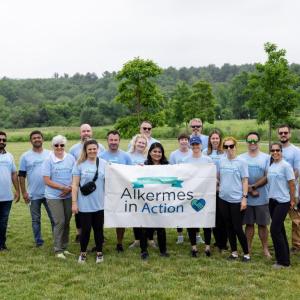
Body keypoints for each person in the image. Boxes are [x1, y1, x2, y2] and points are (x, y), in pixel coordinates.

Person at [72, 139, 106, 264]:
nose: (92, 151)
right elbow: (75, 185)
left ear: (98, 149)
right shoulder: (79, 163)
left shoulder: (104, 163)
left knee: (99, 230)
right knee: (85, 230)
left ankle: (99, 252)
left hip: (99, 204)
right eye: (89, 149)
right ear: (85, 151)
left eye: (94, 149)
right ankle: (83, 253)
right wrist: (74, 203)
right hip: (84, 204)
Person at [69, 124, 105, 242]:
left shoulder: (101, 147)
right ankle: (80, 234)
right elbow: (73, 169)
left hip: (97, 188)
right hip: (81, 186)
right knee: (80, 214)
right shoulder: (73, 149)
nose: (86, 133)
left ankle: (98, 237)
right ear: (80, 133)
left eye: (88, 131)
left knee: (97, 215)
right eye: (83, 131)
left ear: (91, 132)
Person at [19, 130, 54, 247]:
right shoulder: (25, 156)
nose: (37, 139)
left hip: (50, 193)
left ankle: (57, 241)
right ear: (31, 141)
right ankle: (39, 242)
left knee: (54, 219)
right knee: (35, 220)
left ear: (42, 139)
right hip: (33, 194)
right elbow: (22, 176)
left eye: (39, 137)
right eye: (34, 138)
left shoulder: (50, 154)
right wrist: (24, 192)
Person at [238, 132, 271, 257]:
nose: (252, 143)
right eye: (250, 140)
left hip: (262, 197)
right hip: (247, 198)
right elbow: (240, 177)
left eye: (255, 141)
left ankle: (265, 249)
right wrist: (250, 190)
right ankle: (248, 249)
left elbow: (268, 176)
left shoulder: (267, 158)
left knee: (262, 225)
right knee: (249, 224)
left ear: (258, 142)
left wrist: (254, 186)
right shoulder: (241, 158)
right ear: (246, 142)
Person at [42, 135, 75, 259]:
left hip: (68, 195)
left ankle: (64, 247)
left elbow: (75, 175)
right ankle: (58, 250)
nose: (59, 147)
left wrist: (70, 188)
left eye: (62, 145)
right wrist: (63, 188)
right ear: (52, 146)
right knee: (59, 221)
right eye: (56, 145)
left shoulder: (71, 158)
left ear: (65, 146)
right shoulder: (48, 160)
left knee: (66, 221)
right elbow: (46, 180)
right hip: (53, 196)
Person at [218, 137, 250, 262]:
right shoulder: (221, 161)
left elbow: (245, 180)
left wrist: (244, 198)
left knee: (237, 227)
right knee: (229, 226)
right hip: (223, 198)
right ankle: (234, 252)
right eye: (226, 147)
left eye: (231, 146)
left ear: (235, 147)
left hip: (237, 200)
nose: (229, 149)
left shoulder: (241, 162)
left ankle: (247, 253)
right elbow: (219, 177)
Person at [101, 130, 132, 252]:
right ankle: (100, 240)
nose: (113, 142)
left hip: (121, 193)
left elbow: (132, 173)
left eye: (116, 140)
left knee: (120, 218)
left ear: (119, 141)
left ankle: (119, 243)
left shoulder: (126, 156)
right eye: (111, 140)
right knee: (100, 219)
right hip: (104, 192)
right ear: (107, 141)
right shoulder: (101, 156)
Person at [183, 136, 213, 257]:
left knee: (206, 221)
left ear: (201, 145)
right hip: (191, 194)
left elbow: (211, 177)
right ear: (190, 145)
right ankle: (194, 247)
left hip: (205, 194)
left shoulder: (208, 160)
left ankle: (207, 247)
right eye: (193, 144)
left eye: (197, 144)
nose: (195, 147)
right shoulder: (185, 160)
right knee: (191, 221)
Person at [139, 142, 170, 260]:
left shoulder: (167, 166)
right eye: (154, 151)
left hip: (161, 200)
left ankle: (163, 250)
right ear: (150, 152)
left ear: (162, 154)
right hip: (147, 199)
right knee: (145, 225)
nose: (157, 154)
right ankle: (143, 250)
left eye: (159, 152)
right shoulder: (144, 165)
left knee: (161, 226)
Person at [267, 142, 295, 268]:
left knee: (274, 230)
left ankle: (284, 262)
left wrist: (292, 200)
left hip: (283, 202)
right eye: (273, 150)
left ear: (281, 151)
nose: (275, 152)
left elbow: (292, 184)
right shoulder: (272, 165)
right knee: (280, 230)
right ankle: (283, 257)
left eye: (277, 150)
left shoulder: (286, 166)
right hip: (272, 202)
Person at [202, 129, 228, 252]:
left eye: (217, 138)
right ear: (209, 140)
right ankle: (217, 242)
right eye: (213, 138)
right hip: (209, 189)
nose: (215, 140)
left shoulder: (225, 153)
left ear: (220, 139)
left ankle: (224, 243)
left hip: (222, 188)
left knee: (223, 217)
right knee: (213, 217)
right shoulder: (205, 153)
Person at [277, 124, 300, 253]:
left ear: (290, 134)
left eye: (285, 133)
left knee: (296, 220)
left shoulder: (295, 151)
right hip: (277, 193)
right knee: (278, 220)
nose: (283, 135)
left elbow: (297, 171)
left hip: (292, 192)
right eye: (281, 133)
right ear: (278, 135)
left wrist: (287, 185)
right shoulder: (276, 149)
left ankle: (296, 245)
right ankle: (281, 243)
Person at [169, 133, 192, 244]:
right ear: (179, 141)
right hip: (178, 187)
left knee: (191, 210)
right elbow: (171, 170)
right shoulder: (174, 154)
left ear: (189, 141)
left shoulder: (193, 153)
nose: (184, 141)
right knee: (179, 210)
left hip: (191, 186)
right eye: (182, 139)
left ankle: (195, 233)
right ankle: (180, 235)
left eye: (186, 139)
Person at [127, 134, 149, 249]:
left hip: (146, 190)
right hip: (133, 190)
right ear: (134, 143)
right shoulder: (128, 156)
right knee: (135, 213)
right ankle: (137, 240)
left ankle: (150, 239)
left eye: (143, 143)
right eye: (139, 142)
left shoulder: (147, 156)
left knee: (147, 213)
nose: (141, 144)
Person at [0, 131, 20, 251]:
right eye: (0, 139)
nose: (1, 142)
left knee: (3, 222)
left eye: (4, 140)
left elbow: (13, 174)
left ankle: (2, 244)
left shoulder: (10, 156)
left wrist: (17, 190)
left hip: (7, 197)